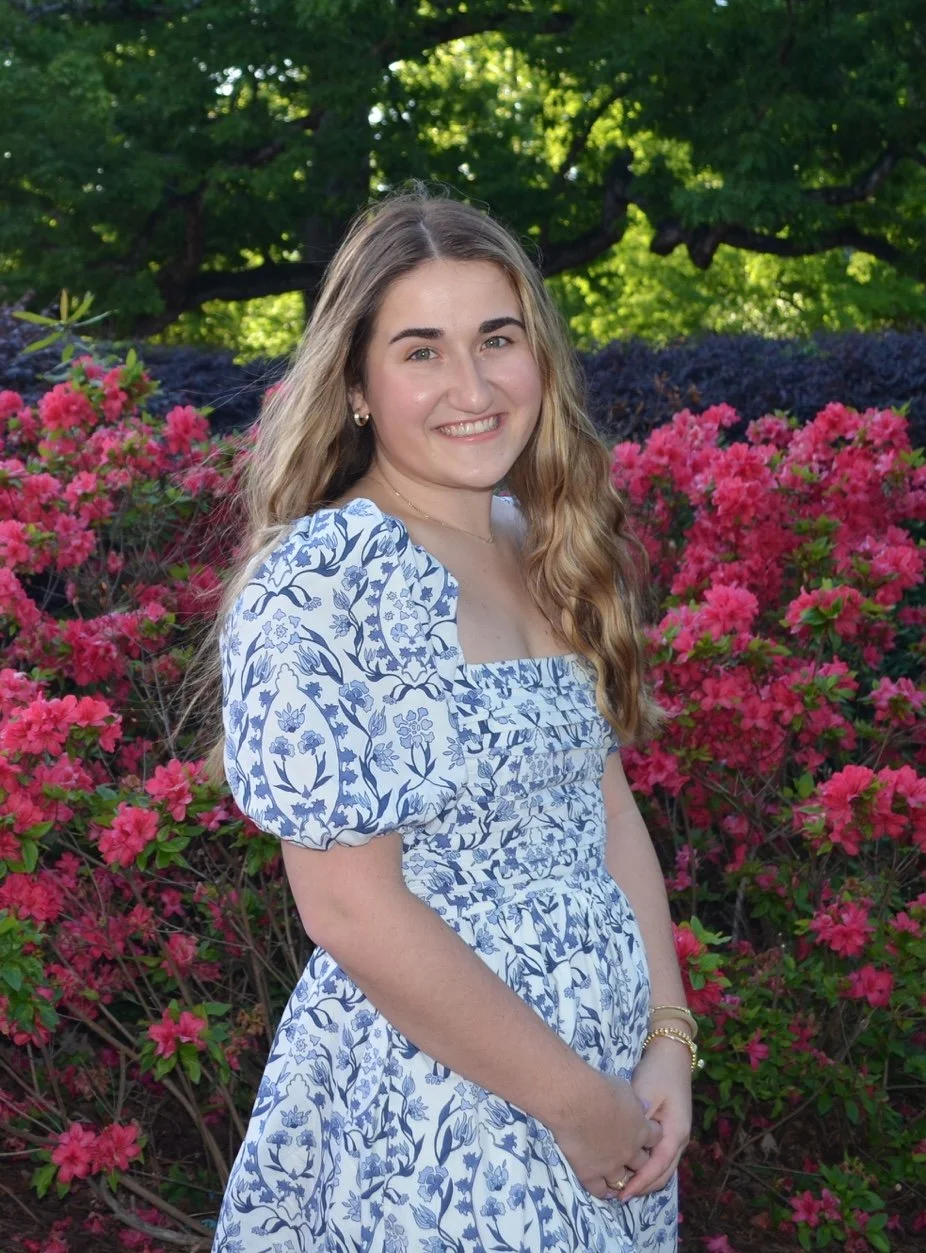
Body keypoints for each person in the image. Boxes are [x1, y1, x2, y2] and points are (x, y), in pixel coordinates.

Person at [210, 188, 695, 1252]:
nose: (471, 387)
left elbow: (603, 810)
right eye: (420, 350)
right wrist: (571, 1101)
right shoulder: (316, 585)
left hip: (611, 1088)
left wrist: (667, 1036)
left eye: (496, 339)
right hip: (438, 1110)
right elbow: (350, 909)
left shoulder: (544, 543)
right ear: (354, 384)